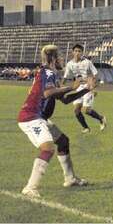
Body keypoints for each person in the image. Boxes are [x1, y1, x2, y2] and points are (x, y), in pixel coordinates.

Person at [18, 45, 97, 198]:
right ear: (53, 59)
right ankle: (30, 187)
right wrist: (70, 87)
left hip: (39, 117)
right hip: (31, 117)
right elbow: (48, 93)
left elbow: (65, 100)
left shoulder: (50, 74)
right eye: (60, 57)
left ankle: (70, 179)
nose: (62, 59)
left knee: (62, 142)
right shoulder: (48, 72)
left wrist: (87, 89)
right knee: (47, 149)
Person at [62, 44, 106, 133]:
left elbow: (95, 74)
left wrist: (93, 87)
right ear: (72, 52)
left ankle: (101, 118)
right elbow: (65, 77)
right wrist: (60, 88)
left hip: (87, 87)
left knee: (86, 110)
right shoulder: (69, 64)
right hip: (78, 88)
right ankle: (86, 128)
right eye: (76, 51)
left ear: (82, 52)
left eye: (79, 51)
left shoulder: (87, 62)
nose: (77, 53)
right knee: (76, 110)